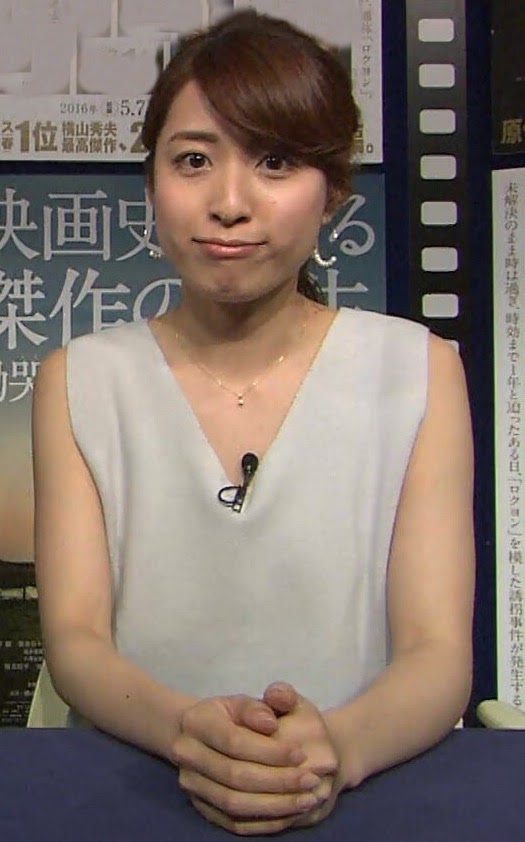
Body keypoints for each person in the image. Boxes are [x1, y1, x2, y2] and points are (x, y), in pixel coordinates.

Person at [32, 9, 475, 837]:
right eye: (193, 160)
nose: (229, 203)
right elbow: (77, 640)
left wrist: (334, 749)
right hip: (133, 795)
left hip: (367, 800)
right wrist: (187, 732)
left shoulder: (416, 370)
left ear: (332, 191)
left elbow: (437, 652)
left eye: (274, 161)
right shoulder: (79, 381)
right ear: (152, 182)